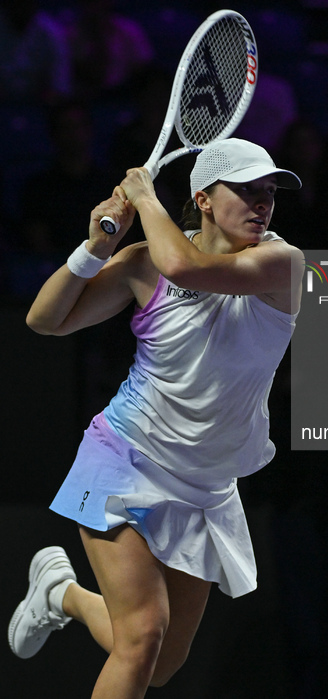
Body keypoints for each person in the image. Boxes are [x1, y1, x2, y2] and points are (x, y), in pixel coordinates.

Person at [8, 137, 304, 698]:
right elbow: (45, 320)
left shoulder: (280, 263)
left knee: (159, 663)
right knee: (142, 635)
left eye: (269, 192)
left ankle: (60, 595)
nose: (263, 203)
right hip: (126, 456)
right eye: (247, 190)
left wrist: (145, 196)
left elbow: (185, 267)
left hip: (206, 486)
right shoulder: (142, 264)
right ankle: (62, 594)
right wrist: (94, 250)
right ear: (206, 199)